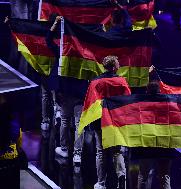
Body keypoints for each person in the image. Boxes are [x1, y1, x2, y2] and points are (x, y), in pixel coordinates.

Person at [46, 16, 89, 165]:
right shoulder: (85, 53)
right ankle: (77, 154)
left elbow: (48, 40)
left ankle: (64, 149)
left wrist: (56, 23)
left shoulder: (62, 52)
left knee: (65, 121)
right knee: (78, 125)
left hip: (65, 93)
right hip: (81, 94)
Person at [93, 55, 131, 189]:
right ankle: (121, 176)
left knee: (101, 152)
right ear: (114, 67)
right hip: (116, 120)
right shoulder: (121, 81)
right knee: (117, 150)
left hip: (99, 120)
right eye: (118, 63)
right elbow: (127, 101)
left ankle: (101, 183)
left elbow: (91, 102)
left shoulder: (95, 82)